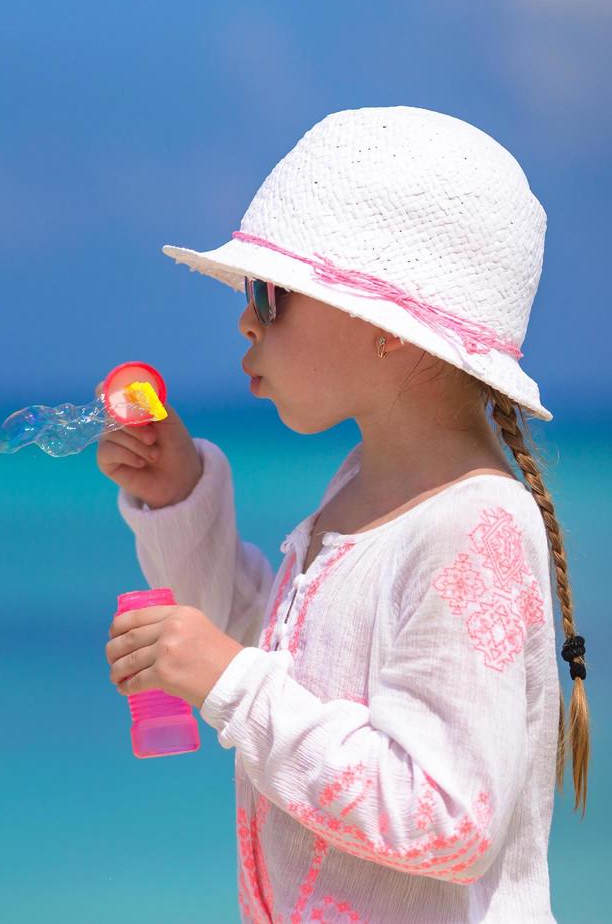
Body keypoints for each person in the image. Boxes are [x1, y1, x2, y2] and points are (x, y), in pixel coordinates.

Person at [99, 106, 587, 923]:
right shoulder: (362, 489)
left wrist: (229, 681)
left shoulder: (477, 530)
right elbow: (281, 653)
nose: (246, 319)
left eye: (272, 294)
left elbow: (446, 816)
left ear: (387, 327)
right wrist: (178, 495)